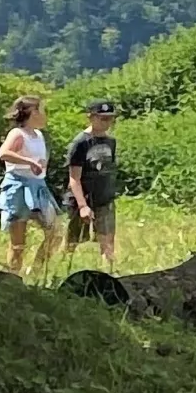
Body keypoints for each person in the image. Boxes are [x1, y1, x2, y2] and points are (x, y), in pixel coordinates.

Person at [0, 95, 61, 277]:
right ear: (33, 112)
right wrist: (29, 161)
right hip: (19, 187)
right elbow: (3, 153)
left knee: (55, 231)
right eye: (42, 110)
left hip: (38, 186)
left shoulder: (38, 135)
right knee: (18, 244)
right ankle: (12, 278)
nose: (45, 115)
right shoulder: (18, 133)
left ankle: (35, 271)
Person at [65, 99, 119, 267]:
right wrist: (82, 206)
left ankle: (108, 273)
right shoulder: (80, 143)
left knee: (107, 241)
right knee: (72, 242)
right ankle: (63, 270)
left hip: (104, 197)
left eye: (110, 118)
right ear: (91, 117)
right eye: (102, 118)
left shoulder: (111, 141)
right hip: (82, 198)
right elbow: (74, 178)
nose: (107, 123)